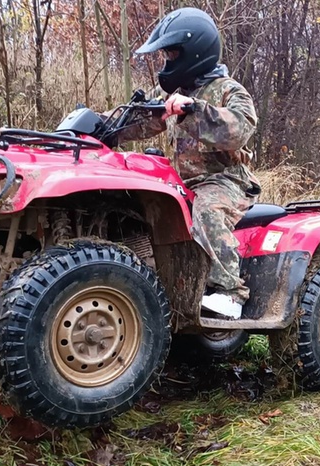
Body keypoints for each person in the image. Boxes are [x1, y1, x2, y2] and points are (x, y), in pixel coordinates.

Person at [110, 7, 260, 319]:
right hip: (177, 182)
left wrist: (193, 111)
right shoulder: (172, 93)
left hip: (224, 181)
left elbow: (239, 129)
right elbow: (140, 119)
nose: (168, 63)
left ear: (194, 53)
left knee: (207, 211)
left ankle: (231, 293)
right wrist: (100, 129)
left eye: (172, 55)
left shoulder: (229, 90)